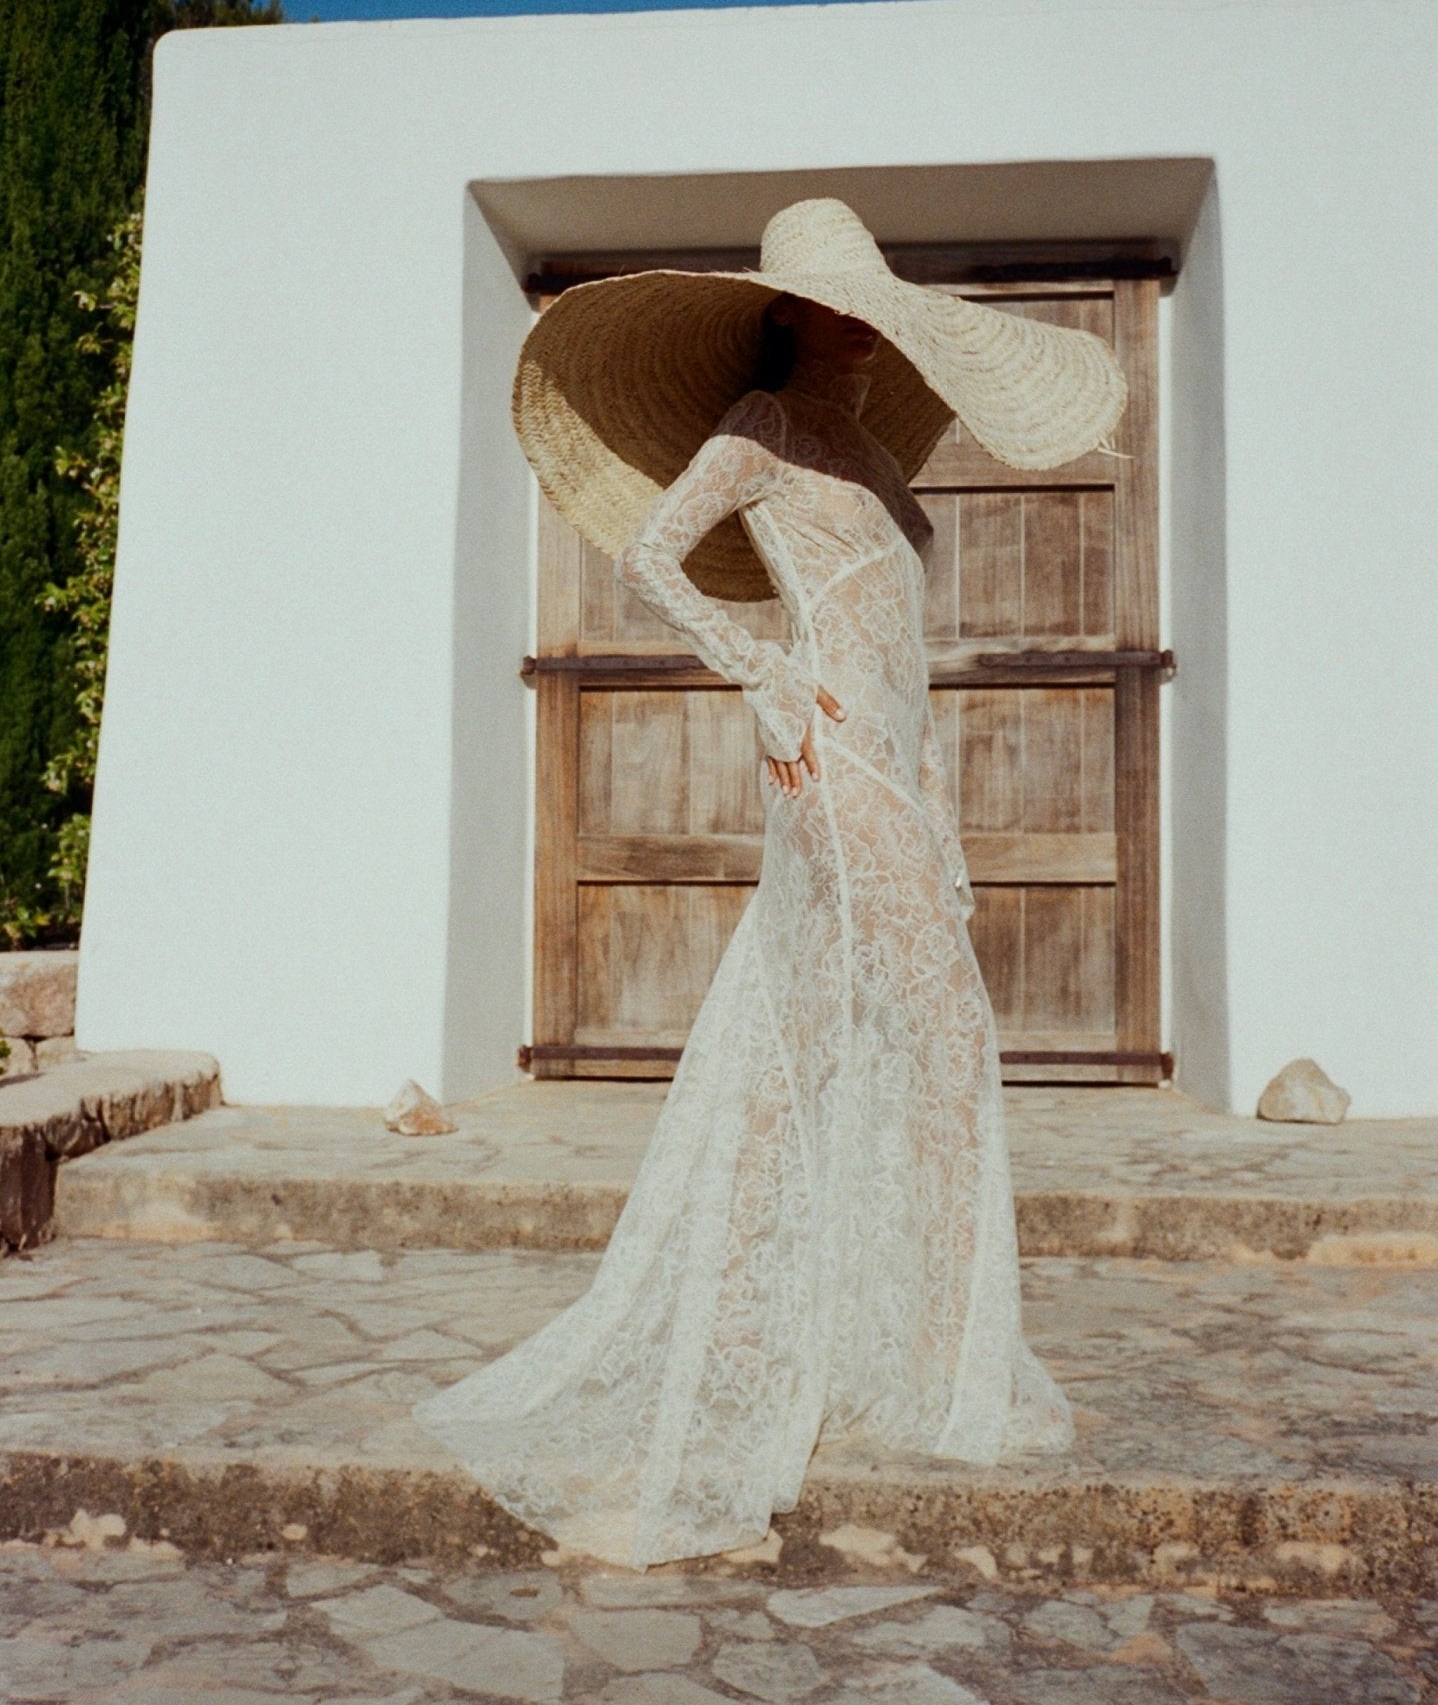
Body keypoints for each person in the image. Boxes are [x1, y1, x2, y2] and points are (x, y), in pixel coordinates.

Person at [412, 197, 1129, 1568]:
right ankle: (929, 1361)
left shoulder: (869, 450)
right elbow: (650, 553)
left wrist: (940, 811)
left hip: (892, 770)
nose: (861, 327)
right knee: (940, 1033)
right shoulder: (758, 425)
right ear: (788, 311)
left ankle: (854, 1342)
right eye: (837, 304)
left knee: (845, 1042)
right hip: (829, 761)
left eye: (874, 307)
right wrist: (762, 674)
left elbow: (906, 652)